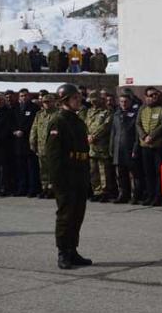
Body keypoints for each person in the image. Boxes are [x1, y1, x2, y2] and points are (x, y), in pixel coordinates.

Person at [46, 83, 92, 270]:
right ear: (65, 100)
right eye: (75, 98)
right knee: (66, 216)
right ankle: (63, 252)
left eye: (79, 98)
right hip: (65, 177)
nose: (79, 100)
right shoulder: (58, 121)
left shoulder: (77, 120)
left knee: (77, 215)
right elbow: (54, 155)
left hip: (79, 174)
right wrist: (56, 180)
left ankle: (72, 250)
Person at [136, 87, 162, 206]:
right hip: (145, 145)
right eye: (150, 95)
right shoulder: (142, 109)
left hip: (157, 145)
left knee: (158, 172)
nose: (153, 97)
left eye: (155, 95)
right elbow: (138, 124)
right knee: (148, 172)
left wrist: (152, 136)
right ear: (146, 97)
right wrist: (144, 136)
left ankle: (158, 196)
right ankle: (150, 195)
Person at [110, 94, 141, 203]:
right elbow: (113, 133)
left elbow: (137, 134)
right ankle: (122, 194)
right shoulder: (116, 114)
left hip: (130, 147)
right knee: (120, 174)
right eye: (122, 101)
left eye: (126, 101)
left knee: (133, 174)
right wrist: (112, 148)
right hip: (118, 148)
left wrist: (135, 149)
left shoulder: (135, 114)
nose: (123, 103)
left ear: (130, 102)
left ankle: (134, 195)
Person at [85, 92, 114, 202]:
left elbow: (106, 126)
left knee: (103, 170)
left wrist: (94, 136)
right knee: (93, 170)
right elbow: (86, 124)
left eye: (95, 99)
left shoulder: (107, 111)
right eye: (91, 100)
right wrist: (88, 135)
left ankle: (105, 192)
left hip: (102, 144)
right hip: (91, 145)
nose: (93, 102)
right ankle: (97, 191)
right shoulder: (90, 111)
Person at [30, 94, 58, 199]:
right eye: (45, 102)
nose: (47, 104)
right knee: (43, 169)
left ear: (53, 102)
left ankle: (52, 189)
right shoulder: (39, 114)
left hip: (53, 147)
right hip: (41, 147)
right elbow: (34, 128)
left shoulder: (57, 114)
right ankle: (45, 188)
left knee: (53, 169)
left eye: (49, 102)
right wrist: (32, 142)